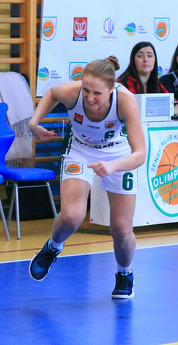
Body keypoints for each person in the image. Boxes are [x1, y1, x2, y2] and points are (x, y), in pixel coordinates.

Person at [27, 57, 146, 299]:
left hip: (118, 155)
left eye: (97, 93)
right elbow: (52, 93)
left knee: (121, 229)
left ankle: (124, 273)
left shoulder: (125, 100)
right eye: (86, 90)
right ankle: (53, 247)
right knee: (72, 216)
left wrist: (113, 166)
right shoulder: (72, 92)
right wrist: (34, 122)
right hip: (80, 150)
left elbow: (140, 154)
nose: (90, 98)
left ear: (111, 89)